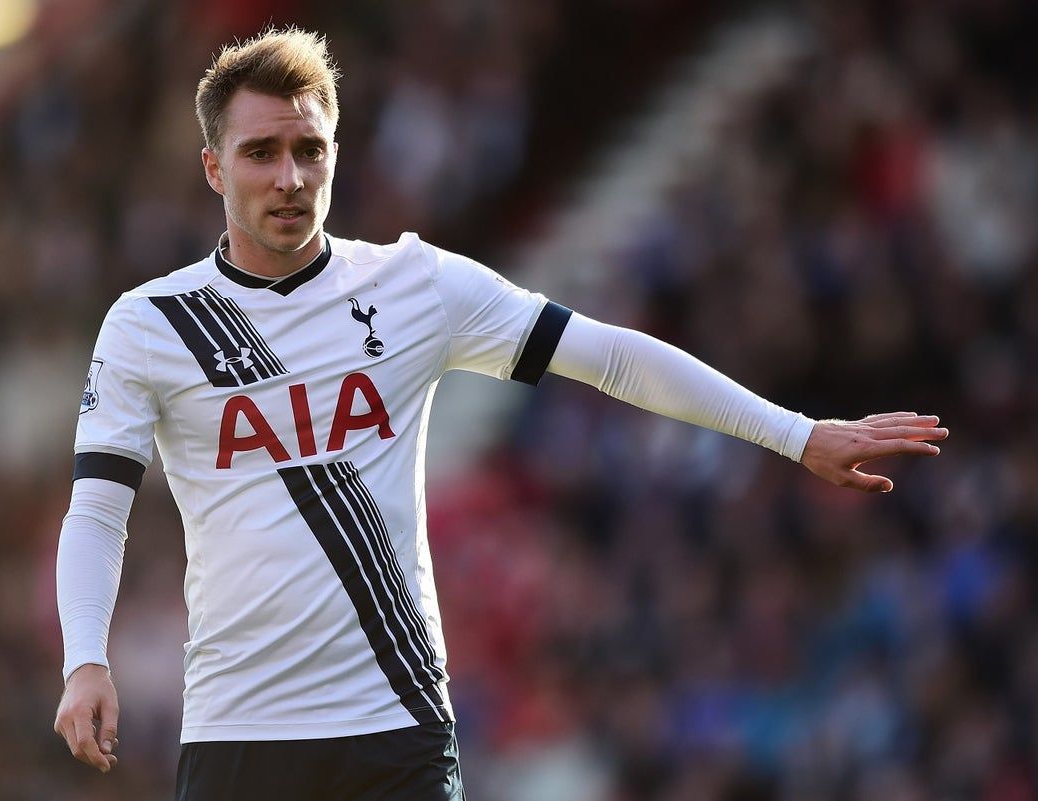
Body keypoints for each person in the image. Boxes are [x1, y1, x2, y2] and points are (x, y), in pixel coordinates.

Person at [52, 27, 947, 801]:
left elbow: (609, 356)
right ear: (214, 165)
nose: (288, 177)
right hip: (240, 732)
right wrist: (83, 656)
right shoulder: (153, 325)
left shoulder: (415, 285)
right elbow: (98, 508)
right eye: (260, 153)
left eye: (309, 148)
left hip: (394, 721)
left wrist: (794, 434)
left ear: (336, 153)